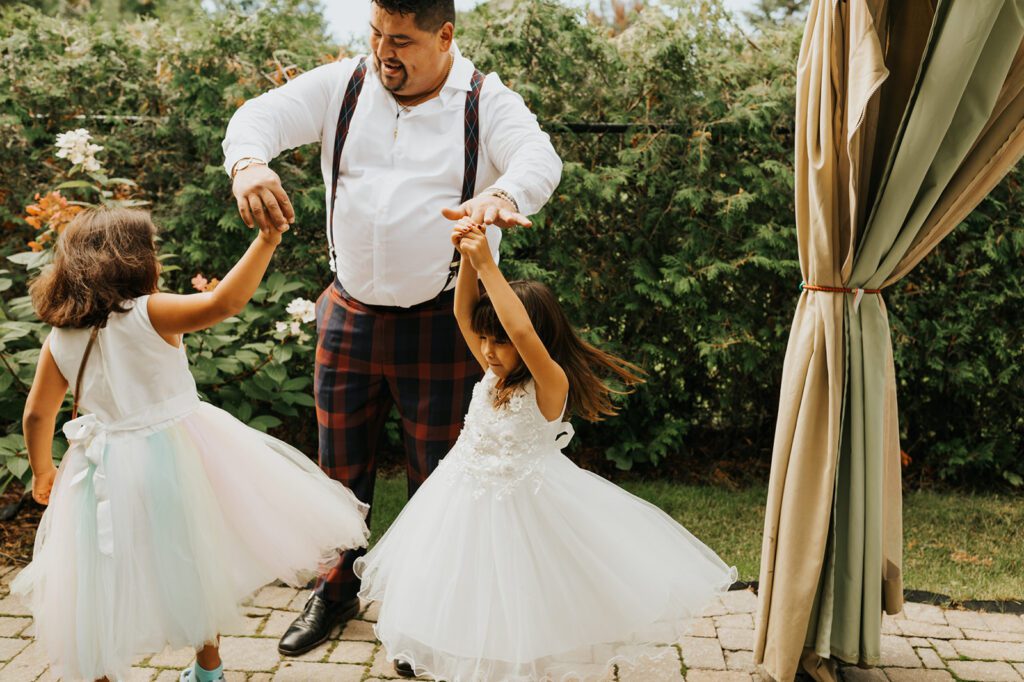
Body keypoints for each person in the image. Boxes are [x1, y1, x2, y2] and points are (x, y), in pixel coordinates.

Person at [221, 0, 562, 659]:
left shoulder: (484, 101)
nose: (384, 51)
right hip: (349, 312)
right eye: (376, 33)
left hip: (443, 323)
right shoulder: (342, 87)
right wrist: (249, 164)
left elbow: (537, 158)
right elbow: (257, 118)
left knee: (438, 478)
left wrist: (504, 196)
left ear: (444, 36)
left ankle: (427, 614)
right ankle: (336, 585)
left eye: (401, 39)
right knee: (337, 469)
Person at [352, 218, 738, 681]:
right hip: (462, 494)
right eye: (486, 340)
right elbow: (462, 314)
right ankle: (442, 649)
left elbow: (524, 334)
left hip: (524, 506)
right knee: (457, 577)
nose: (490, 350)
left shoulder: (548, 382)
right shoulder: (493, 370)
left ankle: (513, 662)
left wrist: (488, 264)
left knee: (518, 591)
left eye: (501, 341)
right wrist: (465, 263)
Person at [12, 207, 369, 682]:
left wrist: (43, 471)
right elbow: (223, 303)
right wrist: (266, 241)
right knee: (195, 556)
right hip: (175, 454)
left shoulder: (61, 335)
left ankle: (101, 671)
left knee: (100, 575)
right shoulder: (151, 312)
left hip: (101, 468)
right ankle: (208, 668)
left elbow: (38, 413)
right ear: (134, 260)